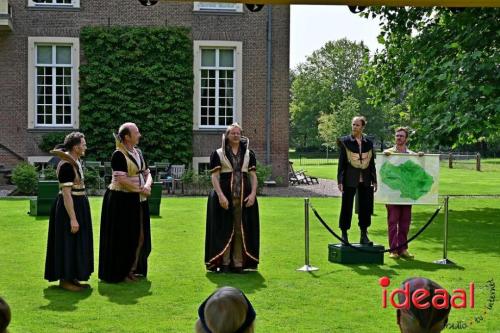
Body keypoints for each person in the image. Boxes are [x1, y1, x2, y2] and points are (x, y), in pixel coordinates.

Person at [99, 122, 152, 283]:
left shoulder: (138, 152)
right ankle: (122, 271)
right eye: (136, 133)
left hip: (139, 199)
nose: (139, 135)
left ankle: (133, 269)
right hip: (121, 200)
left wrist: (147, 186)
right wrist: (139, 189)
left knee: (141, 235)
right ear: (127, 137)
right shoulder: (118, 155)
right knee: (125, 237)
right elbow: (121, 180)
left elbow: (147, 172)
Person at [204, 123, 259, 273]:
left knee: (240, 230)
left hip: (244, 197)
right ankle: (225, 263)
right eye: (233, 133)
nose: (236, 135)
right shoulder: (218, 153)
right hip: (224, 198)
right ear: (227, 135)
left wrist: (253, 194)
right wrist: (220, 196)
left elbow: (253, 176)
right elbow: (214, 177)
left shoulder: (249, 154)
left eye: (238, 133)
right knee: (224, 228)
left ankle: (238, 263)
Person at [44, 132, 94, 292]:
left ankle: (73, 277)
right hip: (69, 209)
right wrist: (73, 218)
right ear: (76, 146)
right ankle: (64, 280)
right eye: (83, 144)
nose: (85, 146)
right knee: (67, 242)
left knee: (76, 243)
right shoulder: (66, 164)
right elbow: (66, 193)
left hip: (79, 205)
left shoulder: (76, 161)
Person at [384, 127, 423, 259]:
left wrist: (421, 157)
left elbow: (418, 170)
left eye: (401, 136)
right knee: (393, 221)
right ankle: (393, 250)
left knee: (405, 222)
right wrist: (386, 157)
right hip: (393, 193)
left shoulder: (412, 154)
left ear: (406, 138)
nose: (398, 138)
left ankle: (403, 249)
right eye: (397, 135)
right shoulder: (387, 153)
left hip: (407, 193)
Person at [337, 116, 377, 245]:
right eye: (353, 124)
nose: (354, 127)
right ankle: (344, 234)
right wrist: (340, 180)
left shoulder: (369, 143)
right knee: (346, 206)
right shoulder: (345, 142)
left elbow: (371, 163)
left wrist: (374, 179)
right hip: (349, 179)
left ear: (363, 127)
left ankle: (363, 235)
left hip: (365, 179)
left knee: (365, 207)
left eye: (357, 125)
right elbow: (341, 162)